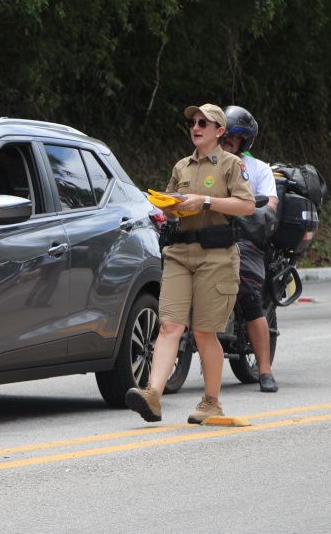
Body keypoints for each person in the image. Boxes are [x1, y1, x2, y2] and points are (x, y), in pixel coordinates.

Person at [126, 104, 255, 424]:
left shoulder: (231, 165)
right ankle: (152, 395)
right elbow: (170, 208)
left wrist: (206, 201)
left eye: (203, 122)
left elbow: (247, 205)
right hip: (180, 253)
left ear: (219, 131)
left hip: (217, 255)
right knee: (169, 325)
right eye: (192, 122)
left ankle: (211, 402)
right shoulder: (181, 167)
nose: (195, 127)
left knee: (204, 332)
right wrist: (168, 207)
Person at [221, 105, 280, 393]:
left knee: (247, 294)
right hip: (207, 237)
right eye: (224, 134)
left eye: (234, 136)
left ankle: (265, 370)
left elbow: (270, 206)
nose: (227, 140)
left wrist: (248, 215)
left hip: (245, 241)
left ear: (244, 140)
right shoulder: (205, 164)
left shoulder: (258, 169)